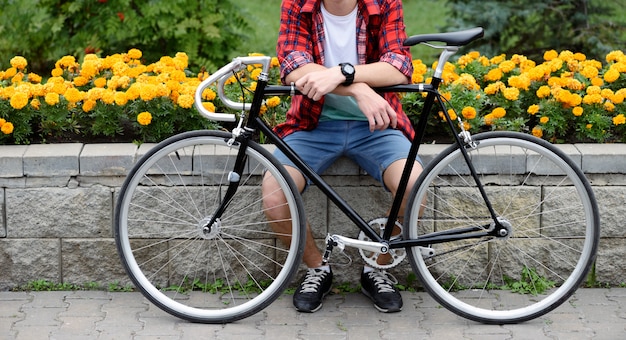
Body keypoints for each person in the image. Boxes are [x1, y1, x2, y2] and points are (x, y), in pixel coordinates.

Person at [262, 0, 423, 313]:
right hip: (312, 125)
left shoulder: (384, 4)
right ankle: (316, 269)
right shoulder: (298, 5)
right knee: (274, 195)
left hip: (377, 125)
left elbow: (399, 67)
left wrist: (341, 73)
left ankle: (377, 264)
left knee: (414, 186)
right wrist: (359, 89)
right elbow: (295, 67)